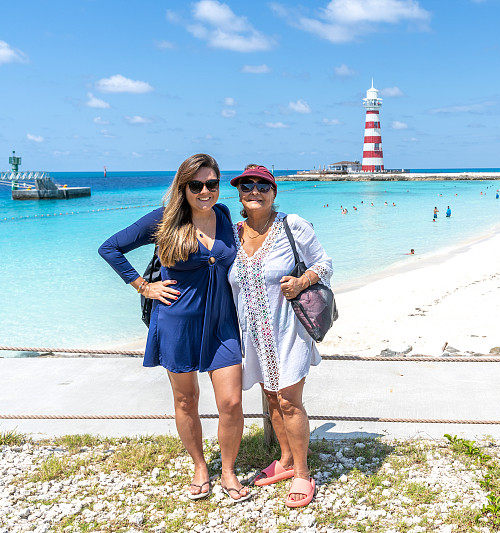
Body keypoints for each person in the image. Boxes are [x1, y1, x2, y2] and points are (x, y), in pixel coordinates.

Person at [98, 154, 250, 502]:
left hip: (222, 323)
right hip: (177, 322)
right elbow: (110, 248)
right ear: (183, 187)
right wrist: (144, 286)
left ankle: (227, 471)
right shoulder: (163, 220)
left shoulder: (224, 215)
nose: (205, 191)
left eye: (211, 184)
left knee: (231, 402)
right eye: (196, 185)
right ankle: (200, 466)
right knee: (186, 400)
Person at [228, 164, 333, 509]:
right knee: (272, 399)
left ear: (274, 193)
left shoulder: (292, 224)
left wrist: (303, 281)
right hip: (254, 334)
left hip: (289, 329)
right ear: (240, 194)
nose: (254, 191)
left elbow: (325, 263)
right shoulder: (232, 234)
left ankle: (303, 472)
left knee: (289, 400)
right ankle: (285, 460)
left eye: (262, 186)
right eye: (247, 186)